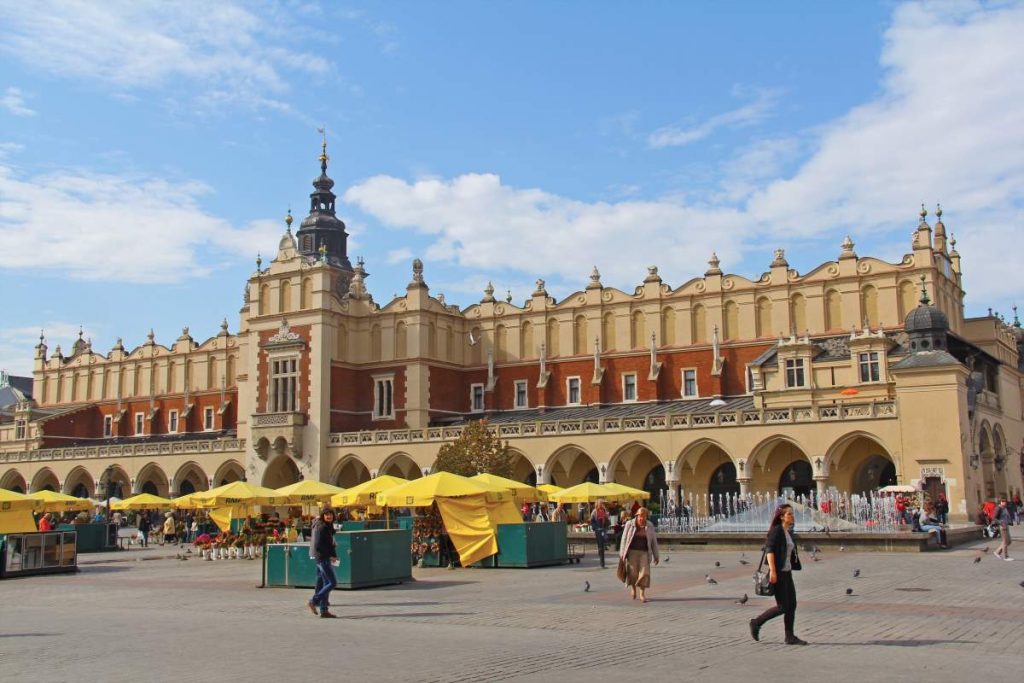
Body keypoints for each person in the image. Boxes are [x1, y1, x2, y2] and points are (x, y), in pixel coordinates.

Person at [749, 504, 807, 645]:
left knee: (792, 605)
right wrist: (773, 571)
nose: (792, 516)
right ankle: (756, 622)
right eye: (789, 514)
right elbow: (769, 550)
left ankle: (789, 636)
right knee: (782, 607)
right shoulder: (776, 531)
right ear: (782, 516)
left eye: (792, 514)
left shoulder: (787, 532)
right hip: (779, 573)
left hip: (787, 573)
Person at [618, 506, 659, 602]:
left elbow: (653, 541)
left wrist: (656, 556)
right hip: (632, 552)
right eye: (640, 516)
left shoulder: (650, 525)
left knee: (644, 573)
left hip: (644, 552)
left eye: (644, 516)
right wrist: (622, 554)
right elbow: (624, 539)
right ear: (637, 516)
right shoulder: (629, 524)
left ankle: (642, 594)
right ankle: (633, 588)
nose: (642, 518)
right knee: (633, 573)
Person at [308, 507, 339, 618]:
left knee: (325, 583)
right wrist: (330, 556)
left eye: (330, 514)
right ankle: (314, 601)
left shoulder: (327, 526)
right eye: (326, 514)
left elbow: (329, 543)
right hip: (322, 558)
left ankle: (324, 610)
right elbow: (318, 545)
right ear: (323, 516)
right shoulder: (321, 527)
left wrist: (333, 553)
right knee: (332, 582)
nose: (328, 516)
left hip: (323, 557)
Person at [590, 500, 611, 568]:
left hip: (603, 530)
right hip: (598, 530)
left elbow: (608, 521)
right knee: (600, 546)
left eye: (602, 504)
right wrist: (595, 528)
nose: (601, 505)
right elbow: (592, 521)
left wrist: (606, 527)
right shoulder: (594, 512)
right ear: (597, 504)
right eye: (600, 504)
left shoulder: (605, 511)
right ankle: (602, 561)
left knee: (602, 545)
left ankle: (602, 563)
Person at [994, 497, 1013, 561]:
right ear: (1000, 502)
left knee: (1009, 541)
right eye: (1003, 502)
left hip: (1006, 525)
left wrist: (1010, 522)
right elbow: (994, 518)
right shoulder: (998, 508)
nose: (1005, 503)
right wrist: (1001, 523)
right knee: (1005, 542)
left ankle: (997, 552)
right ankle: (1006, 557)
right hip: (1003, 526)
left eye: (1005, 502)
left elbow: (1007, 516)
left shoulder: (1005, 508)